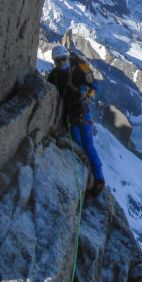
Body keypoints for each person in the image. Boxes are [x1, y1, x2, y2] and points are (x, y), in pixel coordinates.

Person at [47, 45, 106, 196]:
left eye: (63, 59)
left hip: (82, 113)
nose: (61, 63)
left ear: (67, 57)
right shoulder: (54, 76)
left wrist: (84, 94)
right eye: (57, 60)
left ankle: (99, 180)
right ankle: (86, 177)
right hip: (71, 115)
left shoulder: (77, 71)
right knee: (78, 145)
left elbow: (94, 87)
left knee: (88, 145)